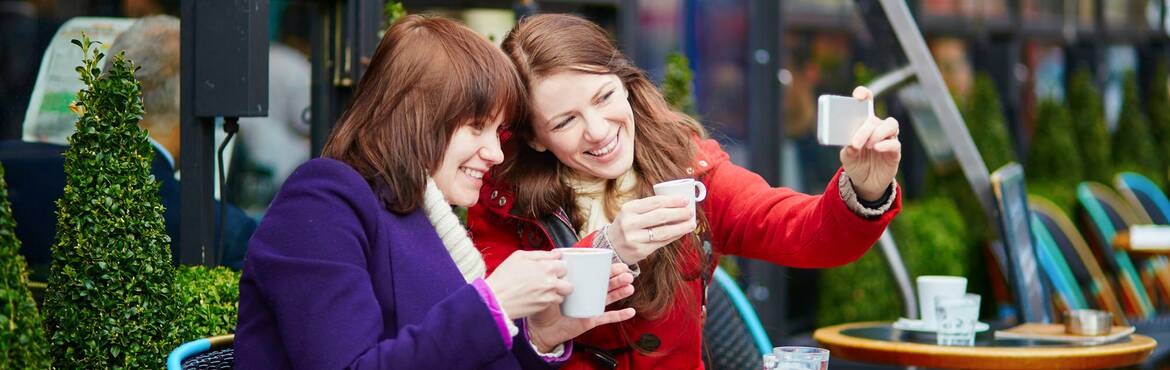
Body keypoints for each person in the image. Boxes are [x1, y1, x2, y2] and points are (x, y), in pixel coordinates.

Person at [467, 14, 903, 368]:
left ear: (625, 84)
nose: (598, 131)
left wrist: (866, 185)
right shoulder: (503, 202)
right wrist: (607, 247)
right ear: (536, 138)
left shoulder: (688, 166)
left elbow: (804, 233)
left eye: (603, 97)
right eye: (565, 121)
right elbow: (498, 335)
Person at [233, 15, 635, 369]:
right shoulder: (324, 200)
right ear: (417, 116)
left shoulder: (425, 213)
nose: (494, 153)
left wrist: (543, 335)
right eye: (477, 126)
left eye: (499, 132)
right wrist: (492, 303)